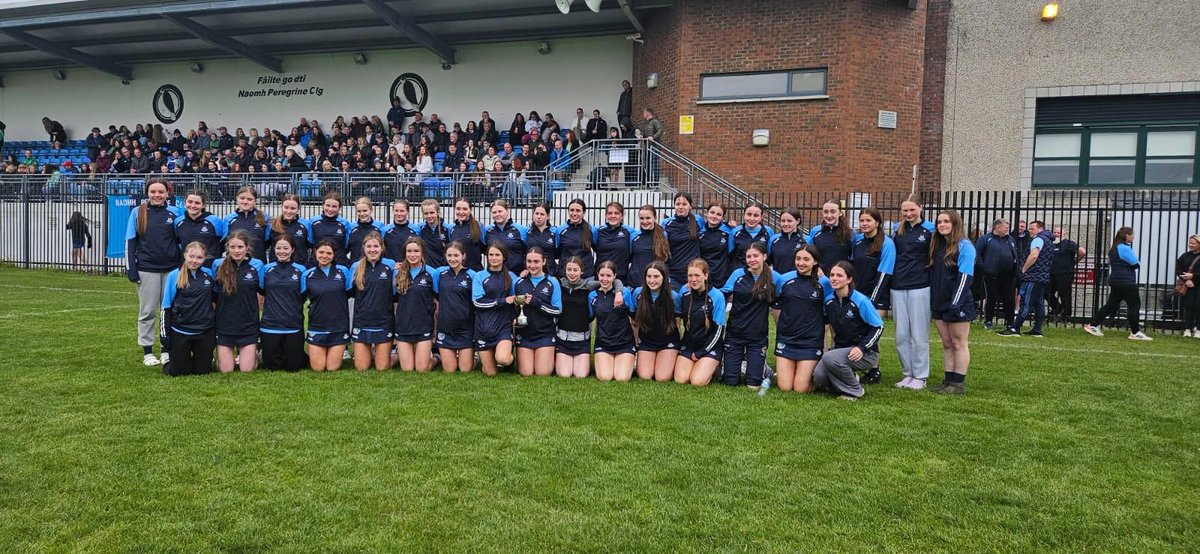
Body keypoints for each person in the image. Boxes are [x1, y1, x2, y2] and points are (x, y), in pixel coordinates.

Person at [126, 178, 182, 367]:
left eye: (161, 192)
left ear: (167, 194)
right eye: (153, 192)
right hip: (146, 270)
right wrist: (131, 269)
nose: (157, 195)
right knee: (148, 311)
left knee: (170, 311)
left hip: (172, 270)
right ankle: (147, 351)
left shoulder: (175, 212)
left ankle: (167, 349)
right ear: (147, 193)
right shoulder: (137, 212)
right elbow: (130, 241)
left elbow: (181, 242)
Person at [815, 262, 884, 401]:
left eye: (839, 275)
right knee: (819, 377)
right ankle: (851, 378)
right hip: (841, 350)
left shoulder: (861, 300)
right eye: (832, 275)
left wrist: (861, 348)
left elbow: (879, 327)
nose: (834, 278)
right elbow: (824, 322)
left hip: (864, 353)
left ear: (849, 279)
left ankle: (855, 390)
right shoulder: (829, 301)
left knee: (828, 358)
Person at [928, 210, 976, 395]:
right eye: (939, 222)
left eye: (946, 221)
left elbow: (965, 277)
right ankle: (947, 380)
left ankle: (957, 384)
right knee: (947, 343)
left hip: (958, 303)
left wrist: (955, 303)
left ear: (955, 224)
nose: (942, 225)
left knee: (959, 343)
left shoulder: (965, 246)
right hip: (939, 303)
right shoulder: (938, 246)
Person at [891, 194, 935, 390]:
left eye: (912, 209)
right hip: (898, 286)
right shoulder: (898, 231)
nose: (908, 213)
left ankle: (920, 375)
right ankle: (907, 373)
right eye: (905, 210)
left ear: (920, 208)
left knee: (919, 334)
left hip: (920, 286)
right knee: (901, 334)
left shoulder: (930, 230)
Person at [773, 245, 831, 394]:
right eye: (798, 259)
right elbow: (776, 305)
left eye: (806, 259)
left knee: (800, 389)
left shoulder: (824, 283)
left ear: (815, 262)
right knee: (785, 387)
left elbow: (828, 313)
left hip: (810, 342)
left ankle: (829, 378)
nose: (801, 263)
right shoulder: (784, 279)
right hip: (787, 339)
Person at [720, 242, 776, 388]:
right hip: (735, 333)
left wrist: (818, 273)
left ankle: (764, 369)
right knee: (730, 382)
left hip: (757, 337)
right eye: (748, 256)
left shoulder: (774, 277)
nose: (752, 259)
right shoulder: (738, 275)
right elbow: (720, 295)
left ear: (764, 256)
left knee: (753, 384)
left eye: (755, 256)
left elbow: (790, 286)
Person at [1083, 227, 1153, 341]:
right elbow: (1136, 263)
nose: (1133, 237)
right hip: (1126, 281)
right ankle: (1135, 332)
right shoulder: (1124, 248)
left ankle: (1093, 325)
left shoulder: (1114, 248)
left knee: (1110, 305)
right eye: (1132, 235)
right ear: (1126, 236)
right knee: (1134, 305)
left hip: (1116, 280)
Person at [160, 242, 217, 377]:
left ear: (204, 259)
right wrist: (165, 336)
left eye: (199, 257)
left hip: (204, 330)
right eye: (191, 256)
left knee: (202, 372)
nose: (194, 261)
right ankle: (169, 360)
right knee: (179, 373)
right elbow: (166, 307)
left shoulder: (209, 274)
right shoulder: (175, 275)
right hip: (180, 330)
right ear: (185, 255)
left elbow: (215, 301)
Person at [851, 207, 894, 384]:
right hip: (858, 293)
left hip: (876, 297)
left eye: (869, 220)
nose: (865, 224)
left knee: (872, 330)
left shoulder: (887, 243)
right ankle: (858, 365)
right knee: (857, 331)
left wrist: (871, 300)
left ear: (877, 222)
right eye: (862, 221)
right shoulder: (858, 241)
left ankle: (874, 369)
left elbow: (884, 274)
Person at [211, 230, 264, 373]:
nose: (236, 250)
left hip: (248, 325)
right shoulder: (217, 264)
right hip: (224, 324)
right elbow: (213, 295)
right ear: (227, 247)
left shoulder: (257, 265)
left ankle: (255, 354)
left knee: (246, 370)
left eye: (240, 247)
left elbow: (262, 292)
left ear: (247, 248)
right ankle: (220, 356)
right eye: (232, 247)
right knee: (226, 370)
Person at [349, 232, 397, 370]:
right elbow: (349, 292)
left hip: (383, 321)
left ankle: (397, 355)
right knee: (361, 368)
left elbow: (395, 294)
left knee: (382, 368)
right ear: (364, 248)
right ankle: (368, 352)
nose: (372, 250)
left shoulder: (391, 265)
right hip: (362, 321)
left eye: (376, 246)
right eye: (369, 246)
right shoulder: (356, 267)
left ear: (382, 248)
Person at [302, 239, 352, 371]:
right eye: (321, 252)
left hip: (338, 325)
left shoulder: (343, 272)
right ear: (315, 252)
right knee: (318, 368)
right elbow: (300, 298)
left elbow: (349, 293)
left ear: (334, 254)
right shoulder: (307, 274)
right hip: (317, 325)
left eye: (328, 253)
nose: (324, 256)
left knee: (332, 368)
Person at [259, 235, 307, 371]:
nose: (282, 251)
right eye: (278, 248)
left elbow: (303, 295)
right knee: (271, 366)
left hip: (293, 324)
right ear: (274, 249)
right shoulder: (266, 269)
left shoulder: (301, 270)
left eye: (286, 248)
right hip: (270, 324)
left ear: (292, 250)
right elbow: (262, 291)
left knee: (294, 366)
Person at [998, 220, 1053, 338]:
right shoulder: (1049, 240)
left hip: (1032, 276)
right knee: (1038, 303)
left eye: (1032, 228)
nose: (1030, 231)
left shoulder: (1038, 239)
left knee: (1025, 302)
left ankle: (1015, 328)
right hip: (1042, 277)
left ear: (1040, 229)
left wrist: (1024, 269)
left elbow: (1034, 256)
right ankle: (1037, 329)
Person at [675, 259, 726, 386]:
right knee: (680, 380)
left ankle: (715, 367)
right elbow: (678, 317)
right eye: (690, 276)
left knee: (697, 381)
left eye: (697, 275)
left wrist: (701, 353)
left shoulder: (717, 296)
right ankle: (699, 366)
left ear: (706, 275)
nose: (693, 279)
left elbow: (719, 330)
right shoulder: (684, 292)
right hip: (689, 345)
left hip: (709, 347)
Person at [513, 247, 562, 377]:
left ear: (543, 262)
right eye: (529, 261)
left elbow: (557, 311)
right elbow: (512, 306)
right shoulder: (517, 282)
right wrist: (514, 320)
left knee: (543, 373)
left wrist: (537, 303)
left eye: (536, 261)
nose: (532, 265)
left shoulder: (553, 282)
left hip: (545, 334)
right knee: (526, 373)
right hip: (524, 334)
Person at [392, 237, 439, 372]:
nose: (412, 255)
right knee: (407, 369)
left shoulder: (431, 273)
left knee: (421, 369)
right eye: (409, 251)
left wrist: (435, 330)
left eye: (416, 251)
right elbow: (394, 301)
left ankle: (436, 357)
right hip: (404, 326)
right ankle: (398, 354)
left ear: (422, 252)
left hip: (423, 326)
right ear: (405, 253)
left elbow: (437, 301)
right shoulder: (397, 272)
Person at [472, 243, 519, 376]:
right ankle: (489, 361)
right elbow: (477, 303)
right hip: (483, 327)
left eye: (497, 255)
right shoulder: (480, 276)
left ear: (504, 257)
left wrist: (515, 316)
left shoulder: (511, 277)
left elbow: (516, 299)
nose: (494, 258)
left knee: (503, 359)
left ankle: (510, 359)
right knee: (490, 373)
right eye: (491, 255)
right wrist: (502, 301)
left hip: (503, 325)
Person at [633, 261, 682, 382]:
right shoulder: (638, 293)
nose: (652, 280)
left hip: (668, 342)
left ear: (664, 278)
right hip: (646, 341)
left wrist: (679, 345)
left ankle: (673, 361)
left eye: (656, 276)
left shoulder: (673, 297)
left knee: (662, 378)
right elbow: (634, 322)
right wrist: (635, 346)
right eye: (649, 276)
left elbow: (678, 322)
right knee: (645, 376)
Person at [590, 261, 635, 381]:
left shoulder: (624, 293)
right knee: (605, 377)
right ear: (597, 275)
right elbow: (589, 317)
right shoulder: (592, 295)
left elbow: (634, 315)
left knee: (621, 378)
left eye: (609, 276)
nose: (605, 279)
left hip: (624, 343)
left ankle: (631, 360)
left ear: (615, 276)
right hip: (603, 344)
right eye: (602, 275)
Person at [436, 242, 477, 372]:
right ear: (445, 256)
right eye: (449, 255)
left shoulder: (472, 275)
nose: (452, 259)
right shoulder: (439, 274)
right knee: (450, 370)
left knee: (465, 369)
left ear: (463, 256)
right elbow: (435, 294)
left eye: (456, 255)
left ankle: (475, 358)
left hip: (466, 328)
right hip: (446, 327)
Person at [975, 219, 1018, 331]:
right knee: (991, 298)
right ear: (997, 227)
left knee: (1009, 300)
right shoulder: (985, 239)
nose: (1007, 229)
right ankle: (988, 320)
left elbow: (1015, 255)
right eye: (1005, 227)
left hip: (1008, 276)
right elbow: (977, 254)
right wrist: (984, 267)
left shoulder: (1010, 240)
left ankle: (1010, 322)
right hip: (991, 275)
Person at [662, 193, 702, 288]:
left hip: (692, 273)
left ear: (690, 206)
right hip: (673, 273)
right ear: (674, 206)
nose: (680, 207)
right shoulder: (666, 223)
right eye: (677, 204)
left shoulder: (698, 220)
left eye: (684, 204)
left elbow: (712, 227)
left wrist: (728, 224)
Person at [1048, 227, 1086, 321]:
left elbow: (1082, 251)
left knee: (1064, 294)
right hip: (1051, 273)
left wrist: (1075, 261)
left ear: (1064, 234)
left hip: (1065, 273)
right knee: (1046, 292)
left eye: (1059, 232)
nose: (1056, 234)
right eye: (1055, 232)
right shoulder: (1051, 244)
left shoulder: (1068, 243)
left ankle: (1066, 315)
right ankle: (1058, 308)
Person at [222, 186, 269, 262]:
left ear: (255, 201)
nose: (245, 202)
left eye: (249, 199)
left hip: (257, 264)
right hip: (234, 264)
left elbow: (267, 241)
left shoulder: (264, 217)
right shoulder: (229, 219)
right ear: (237, 198)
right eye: (242, 198)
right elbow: (224, 241)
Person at [808, 200, 856, 274]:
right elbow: (811, 255)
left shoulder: (850, 233)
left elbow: (853, 257)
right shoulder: (815, 231)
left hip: (841, 278)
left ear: (840, 213)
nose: (829, 215)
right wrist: (816, 268)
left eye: (833, 211)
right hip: (820, 278)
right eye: (826, 212)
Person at [630, 205, 670, 288]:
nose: (645, 221)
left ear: (655, 217)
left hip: (656, 284)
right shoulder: (634, 236)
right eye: (641, 218)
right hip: (636, 285)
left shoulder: (664, 235)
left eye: (648, 218)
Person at [484, 199, 528, 273]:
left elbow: (528, 251)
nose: (497, 214)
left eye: (500, 211)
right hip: (494, 275)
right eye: (494, 212)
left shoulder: (521, 229)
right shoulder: (487, 230)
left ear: (507, 211)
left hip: (517, 275)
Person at [556, 199, 597, 277]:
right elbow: (556, 252)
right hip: (565, 276)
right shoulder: (560, 230)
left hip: (586, 276)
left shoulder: (591, 230)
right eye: (572, 210)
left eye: (578, 210)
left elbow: (598, 250)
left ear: (583, 212)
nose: (574, 213)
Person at [696, 203, 735, 287]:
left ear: (722, 217)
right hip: (703, 276)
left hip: (722, 278)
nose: (714, 216)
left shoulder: (729, 231)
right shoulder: (699, 230)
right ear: (707, 213)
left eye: (718, 214)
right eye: (712, 212)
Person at [266, 194, 310, 264]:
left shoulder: (306, 224)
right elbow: (266, 245)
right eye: (286, 207)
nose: (289, 211)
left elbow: (309, 245)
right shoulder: (273, 224)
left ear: (298, 209)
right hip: (276, 269)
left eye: (293, 208)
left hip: (299, 268)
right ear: (281, 207)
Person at [730, 202, 774, 272]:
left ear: (761, 217)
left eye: (756, 215)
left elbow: (770, 255)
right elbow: (730, 255)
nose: (752, 218)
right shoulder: (735, 232)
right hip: (741, 274)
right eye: (749, 214)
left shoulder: (768, 231)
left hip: (760, 274)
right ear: (744, 215)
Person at [594, 202, 634, 280]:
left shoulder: (629, 232)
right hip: (601, 277)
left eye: (616, 213)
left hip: (621, 277)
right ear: (606, 216)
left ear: (622, 216)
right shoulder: (597, 231)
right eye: (610, 213)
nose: (613, 216)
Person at [449, 198, 483, 271]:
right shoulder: (451, 228)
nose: (461, 212)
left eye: (465, 209)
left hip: (475, 272)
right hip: (457, 272)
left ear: (470, 209)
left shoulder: (479, 226)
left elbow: (486, 248)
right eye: (458, 209)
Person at [525, 202, 559, 277]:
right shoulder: (527, 231)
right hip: (531, 273)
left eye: (542, 214)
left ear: (548, 216)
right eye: (536, 214)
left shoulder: (555, 232)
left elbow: (558, 252)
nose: (539, 217)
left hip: (550, 273)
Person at [1177, 235, 1200, 337]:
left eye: (1193, 243)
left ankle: (1198, 329)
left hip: (1198, 285)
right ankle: (1187, 328)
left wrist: (1193, 276)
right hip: (1188, 286)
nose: (1190, 245)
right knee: (1188, 306)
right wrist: (1186, 280)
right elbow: (1178, 269)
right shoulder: (1185, 256)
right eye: (1190, 243)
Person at [418, 199, 452, 268]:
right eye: (426, 213)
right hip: (426, 271)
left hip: (443, 269)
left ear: (438, 212)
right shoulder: (419, 229)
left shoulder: (447, 229)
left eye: (432, 212)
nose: (429, 216)